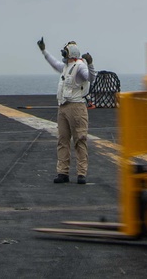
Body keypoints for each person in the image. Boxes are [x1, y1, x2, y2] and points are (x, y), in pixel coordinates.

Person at [38, 37, 96, 184]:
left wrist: (90, 64)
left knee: (79, 140)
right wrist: (44, 51)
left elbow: (90, 78)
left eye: (65, 51)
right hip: (63, 106)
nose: (63, 53)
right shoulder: (66, 67)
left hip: (76, 107)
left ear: (71, 53)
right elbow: (54, 63)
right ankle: (62, 172)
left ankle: (81, 173)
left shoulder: (80, 66)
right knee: (62, 140)